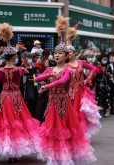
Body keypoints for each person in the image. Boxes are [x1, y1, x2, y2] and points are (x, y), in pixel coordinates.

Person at [35, 16, 96, 165]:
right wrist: (49, 74)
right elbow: (37, 79)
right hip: (52, 106)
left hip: (64, 105)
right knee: (52, 132)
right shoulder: (50, 69)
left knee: (66, 131)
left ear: (66, 55)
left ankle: (67, 156)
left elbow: (62, 81)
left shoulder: (68, 69)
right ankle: (54, 157)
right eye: (55, 53)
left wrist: (47, 85)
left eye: (60, 53)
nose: (57, 55)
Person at [0, 23, 39, 162]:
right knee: (17, 126)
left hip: (4, 100)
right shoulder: (20, 69)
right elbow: (33, 72)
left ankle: (8, 154)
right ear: (15, 58)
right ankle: (14, 153)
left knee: (6, 126)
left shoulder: (0, 71)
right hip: (17, 100)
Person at [66, 26, 101, 137]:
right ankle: (69, 132)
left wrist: (88, 79)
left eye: (71, 52)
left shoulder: (80, 62)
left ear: (74, 53)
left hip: (80, 91)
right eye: (67, 53)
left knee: (79, 112)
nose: (69, 54)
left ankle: (79, 133)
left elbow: (94, 68)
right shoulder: (64, 65)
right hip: (67, 91)